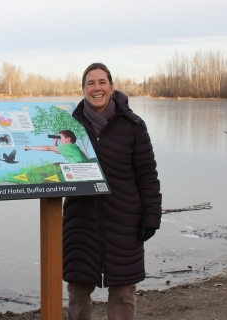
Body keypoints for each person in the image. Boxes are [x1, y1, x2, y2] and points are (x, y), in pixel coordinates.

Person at [63, 63, 161, 320]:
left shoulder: (133, 126)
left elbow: (148, 175)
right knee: (78, 291)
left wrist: (151, 216)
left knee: (123, 293)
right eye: (91, 83)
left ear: (111, 87)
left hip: (124, 222)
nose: (97, 88)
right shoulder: (69, 127)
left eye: (102, 82)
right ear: (83, 89)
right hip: (79, 223)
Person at [22, 130, 89, 163]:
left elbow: (47, 148)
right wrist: (55, 141)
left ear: (68, 139)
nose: (59, 139)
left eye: (60, 137)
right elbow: (57, 152)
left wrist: (29, 148)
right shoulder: (72, 147)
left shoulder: (69, 146)